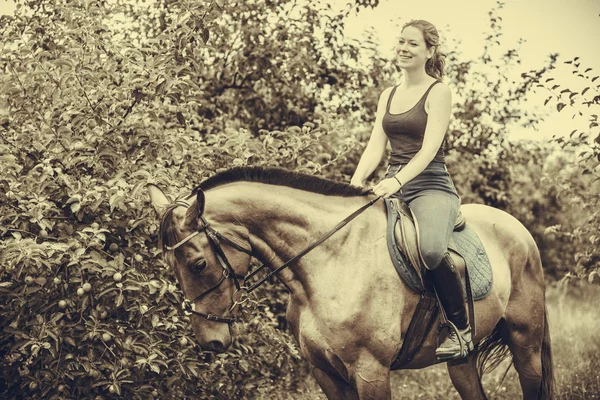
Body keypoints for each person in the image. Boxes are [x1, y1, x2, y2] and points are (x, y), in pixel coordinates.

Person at [350, 19, 473, 361]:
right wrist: (355, 184)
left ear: (430, 51)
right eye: (401, 41)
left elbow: (429, 149)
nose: (403, 48)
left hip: (430, 187)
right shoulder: (388, 94)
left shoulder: (439, 92)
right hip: (391, 185)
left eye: (413, 44)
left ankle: (460, 329)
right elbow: (376, 146)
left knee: (432, 250)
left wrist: (397, 181)